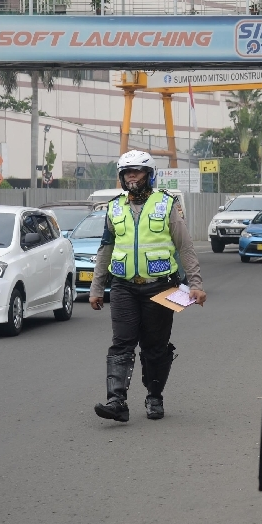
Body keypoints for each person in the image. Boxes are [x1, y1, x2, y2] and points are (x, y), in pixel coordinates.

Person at [89, 150, 207, 422]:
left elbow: (185, 246)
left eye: (137, 171)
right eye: (127, 172)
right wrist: (97, 288)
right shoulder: (114, 207)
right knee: (122, 343)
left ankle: (154, 396)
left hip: (161, 287)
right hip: (123, 287)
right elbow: (105, 249)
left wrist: (196, 283)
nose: (132, 176)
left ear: (149, 175)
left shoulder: (166, 204)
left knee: (155, 347)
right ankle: (117, 401)